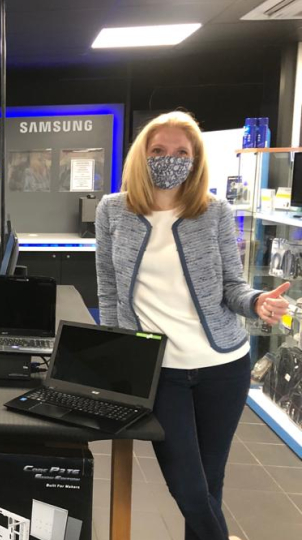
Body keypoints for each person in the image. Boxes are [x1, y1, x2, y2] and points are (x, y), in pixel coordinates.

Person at [95, 111, 289, 540]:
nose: (170, 159)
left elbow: (232, 286)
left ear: (196, 159)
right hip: (159, 371)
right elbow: (107, 291)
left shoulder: (213, 211)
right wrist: (117, 355)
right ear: (140, 156)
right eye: (159, 150)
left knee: (210, 482)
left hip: (224, 365)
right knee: (188, 487)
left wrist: (256, 302)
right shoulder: (113, 210)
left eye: (182, 152)